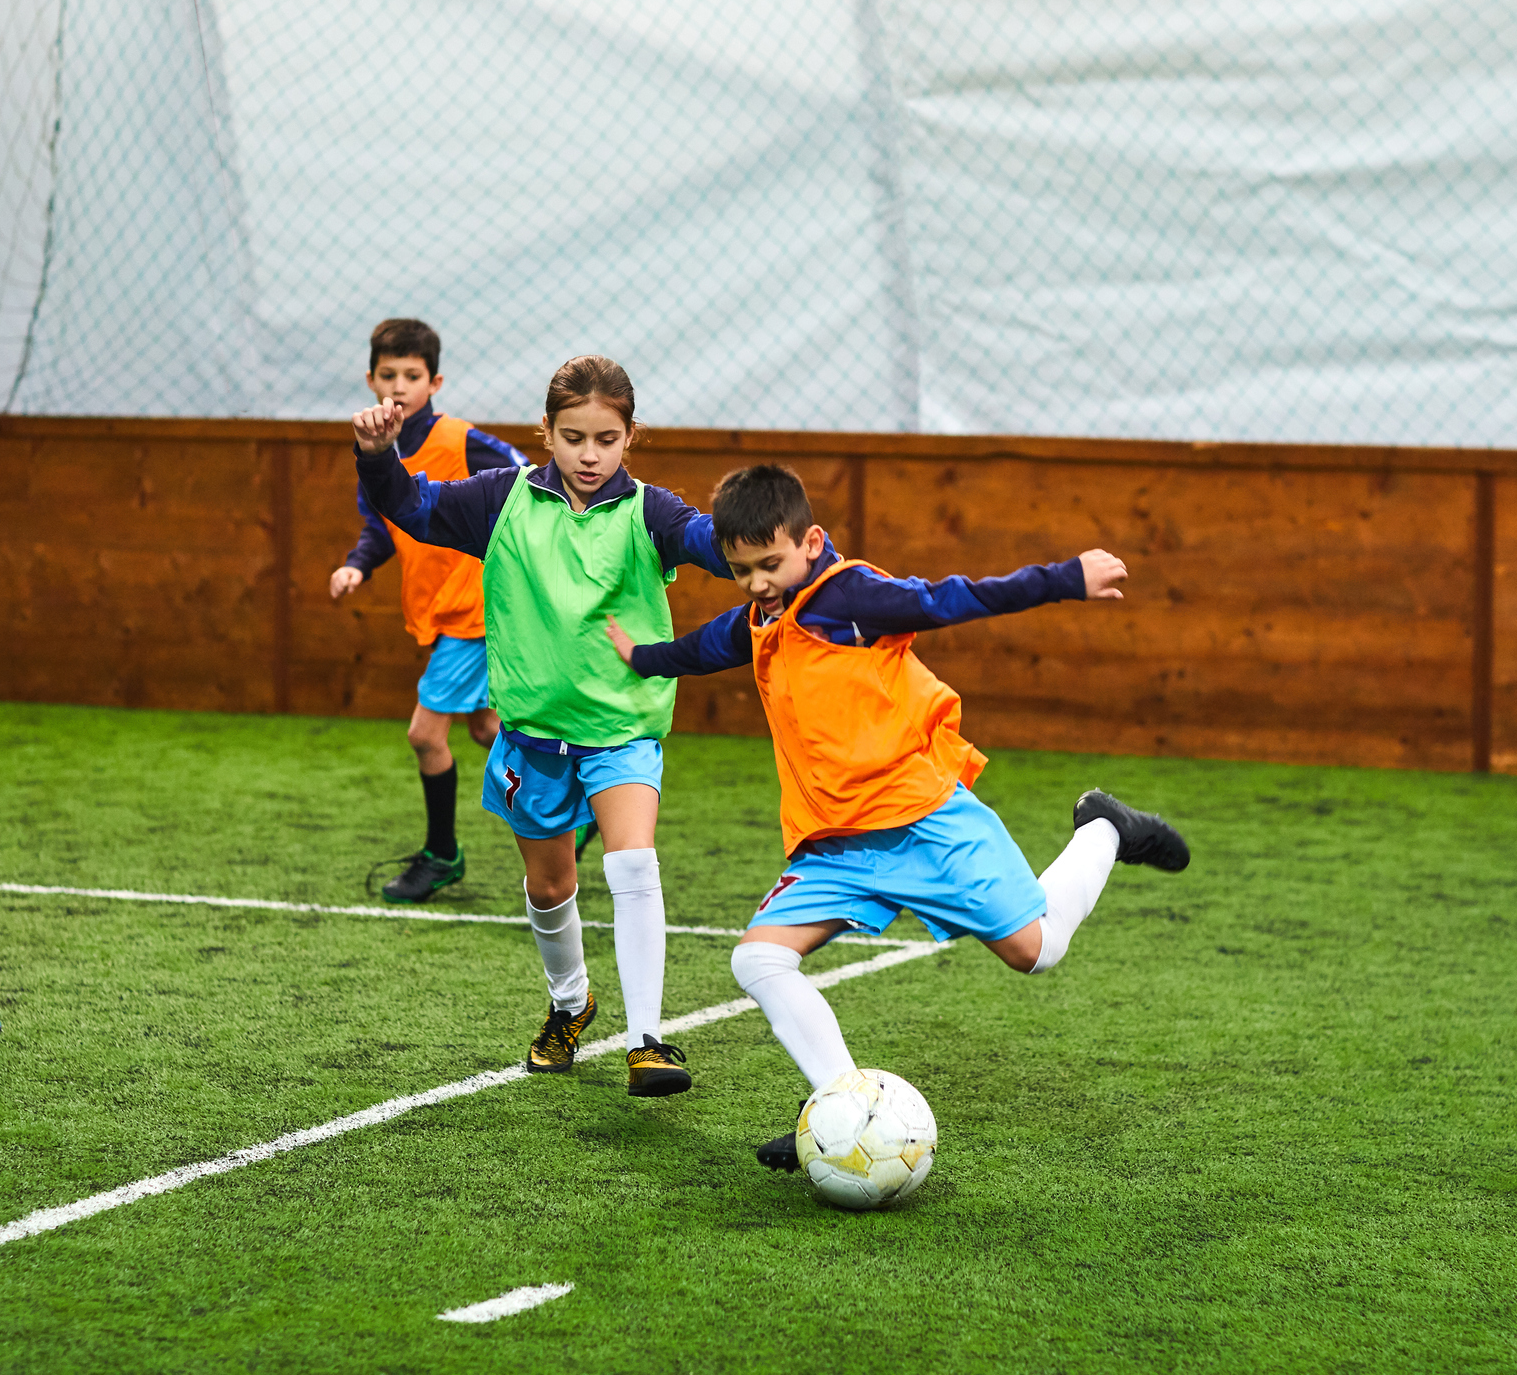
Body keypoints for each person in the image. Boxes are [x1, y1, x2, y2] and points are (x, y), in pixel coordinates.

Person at [602, 464, 1191, 1167]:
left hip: (924, 823)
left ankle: (1103, 826)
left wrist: (1063, 578)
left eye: (769, 564)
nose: (757, 582)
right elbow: (708, 647)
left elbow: (949, 599)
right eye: (739, 570)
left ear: (810, 541)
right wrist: (641, 656)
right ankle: (839, 1106)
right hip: (838, 848)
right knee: (758, 957)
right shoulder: (762, 616)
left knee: (1035, 951)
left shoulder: (849, 596)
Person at [353, 355, 731, 1096]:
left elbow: (709, 543)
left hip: (621, 730)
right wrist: (375, 455)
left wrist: (754, 541)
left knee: (631, 864)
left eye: (607, 439)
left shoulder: (652, 511)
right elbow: (413, 508)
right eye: (573, 437)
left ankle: (648, 1041)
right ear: (546, 435)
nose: (590, 455)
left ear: (630, 437)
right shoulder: (503, 499)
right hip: (530, 738)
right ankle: (570, 1004)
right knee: (550, 887)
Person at [329, 319, 528, 901]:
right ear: (370, 379)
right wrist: (357, 565)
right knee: (489, 727)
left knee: (425, 734)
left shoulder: (462, 440)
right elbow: (382, 524)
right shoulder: (376, 447)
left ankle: (442, 853)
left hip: (477, 609)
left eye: (411, 375)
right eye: (387, 374)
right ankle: (577, 802)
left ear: (434, 382)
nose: (398, 385)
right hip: (440, 612)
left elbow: (526, 483)